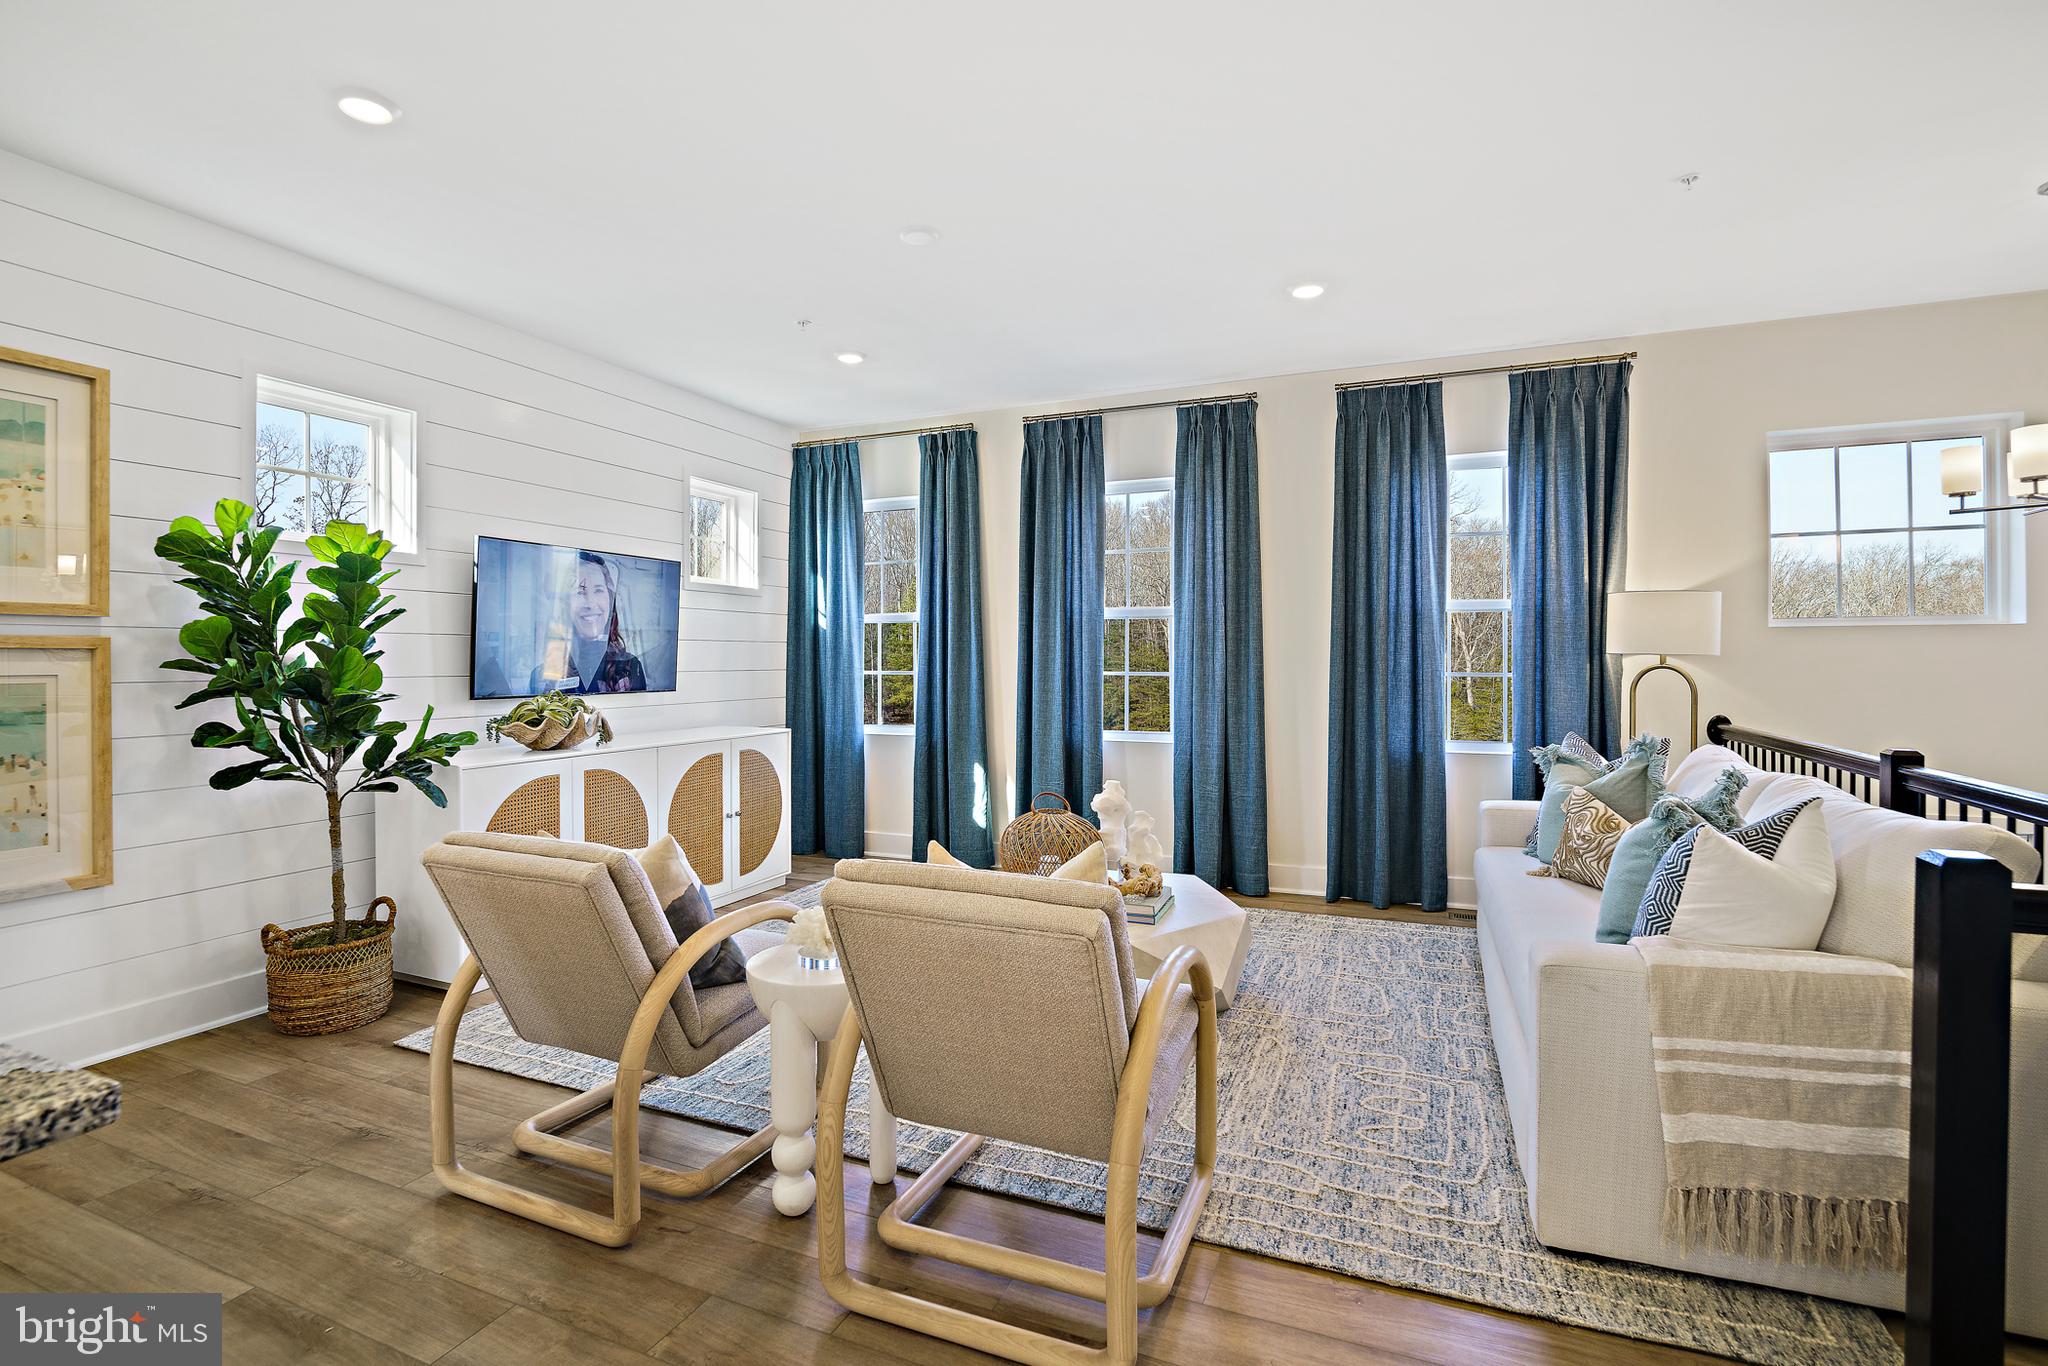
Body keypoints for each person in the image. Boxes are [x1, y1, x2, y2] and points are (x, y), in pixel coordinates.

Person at [530, 550, 647, 694]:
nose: (590, 603)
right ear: (565, 604)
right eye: (579, 592)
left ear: (610, 600)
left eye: (598, 590)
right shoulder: (544, 677)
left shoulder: (631, 669)